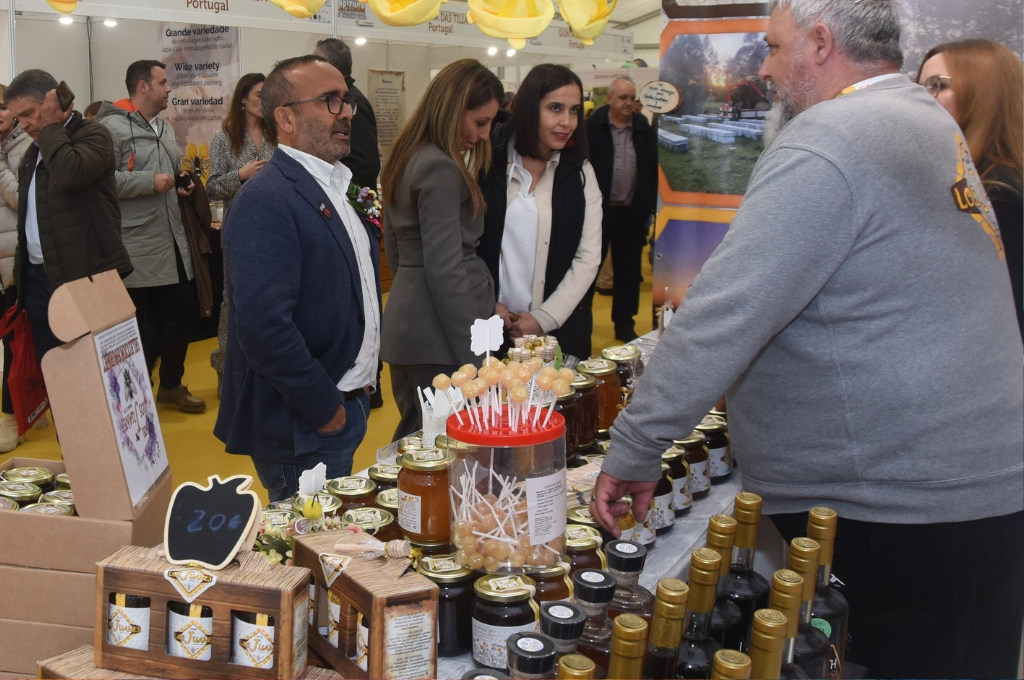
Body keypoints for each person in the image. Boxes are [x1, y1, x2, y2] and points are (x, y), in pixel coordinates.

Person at [589, 1, 1023, 678]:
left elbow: (726, 310)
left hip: (898, 510)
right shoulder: (923, 122)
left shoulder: (835, 137)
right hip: (970, 493)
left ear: (820, 42)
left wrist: (638, 446)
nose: (763, 68)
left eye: (772, 47)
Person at [214, 55, 380, 501]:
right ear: (285, 118)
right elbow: (263, 326)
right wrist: (323, 408)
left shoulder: (332, 184)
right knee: (303, 550)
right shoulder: (267, 198)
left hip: (340, 403)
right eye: (330, 101)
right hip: (304, 422)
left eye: (346, 100)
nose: (345, 112)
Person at [380, 59, 503, 440]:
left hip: (411, 324)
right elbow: (445, 269)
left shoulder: (406, 156)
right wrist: (474, 357)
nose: (484, 135)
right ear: (452, 109)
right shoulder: (441, 168)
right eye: (479, 122)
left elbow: (395, 249)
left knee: (419, 437)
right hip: (440, 332)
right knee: (442, 445)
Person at [4, 70, 132, 376]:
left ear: (51, 102)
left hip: (85, 280)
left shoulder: (94, 135)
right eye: (17, 118)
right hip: (38, 282)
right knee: (61, 381)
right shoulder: (32, 153)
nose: (23, 125)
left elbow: (69, 173)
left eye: (29, 114)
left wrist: (49, 127)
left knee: (98, 380)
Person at [98, 60, 206, 414]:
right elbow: (103, 182)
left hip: (172, 237)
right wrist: (150, 182)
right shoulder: (109, 129)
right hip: (139, 244)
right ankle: (135, 398)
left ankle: (170, 385)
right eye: (163, 82)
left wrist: (181, 180)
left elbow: (169, 171)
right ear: (143, 87)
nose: (169, 89)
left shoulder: (160, 126)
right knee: (146, 326)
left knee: (184, 310)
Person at [478, 64, 602, 360]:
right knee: (490, 401)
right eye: (555, 108)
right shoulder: (488, 160)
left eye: (574, 110)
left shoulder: (580, 172)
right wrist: (482, 303)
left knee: (548, 403)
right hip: (489, 324)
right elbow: (466, 245)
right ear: (530, 108)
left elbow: (588, 256)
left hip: (552, 330)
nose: (567, 122)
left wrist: (544, 318)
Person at [917, 40, 1023, 337]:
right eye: (920, 86)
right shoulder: (968, 177)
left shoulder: (997, 193)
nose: (924, 98)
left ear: (984, 95)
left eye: (938, 85)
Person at [313, 38, 386, 409]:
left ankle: (370, 382)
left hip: (353, 206)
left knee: (363, 296)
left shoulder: (353, 105)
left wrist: (344, 193)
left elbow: (366, 163)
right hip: (345, 203)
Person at [206, 73, 274, 391]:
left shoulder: (280, 135)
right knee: (232, 298)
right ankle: (226, 367)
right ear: (244, 99)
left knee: (274, 297)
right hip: (239, 229)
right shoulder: (225, 137)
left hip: (277, 229)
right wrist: (240, 175)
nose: (265, 100)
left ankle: (266, 369)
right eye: (259, 94)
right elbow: (212, 188)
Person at [585, 77, 657, 342]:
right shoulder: (592, 127)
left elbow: (650, 170)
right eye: (624, 98)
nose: (629, 103)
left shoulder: (642, 127)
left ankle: (624, 325)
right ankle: (582, 322)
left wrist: (645, 207)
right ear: (611, 99)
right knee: (588, 270)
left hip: (631, 214)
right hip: (598, 215)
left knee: (628, 273)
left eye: (632, 98)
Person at [0, 83, 37, 452]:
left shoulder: (27, 147)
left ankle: (12, 419)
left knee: (16, 346)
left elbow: (21, 199)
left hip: (16, 265)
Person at [312, 38, 380, 192]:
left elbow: (364, 163)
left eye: (315, 64)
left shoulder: (354, 103)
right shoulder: (338, 99)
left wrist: (345, 198)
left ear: (328, 67)